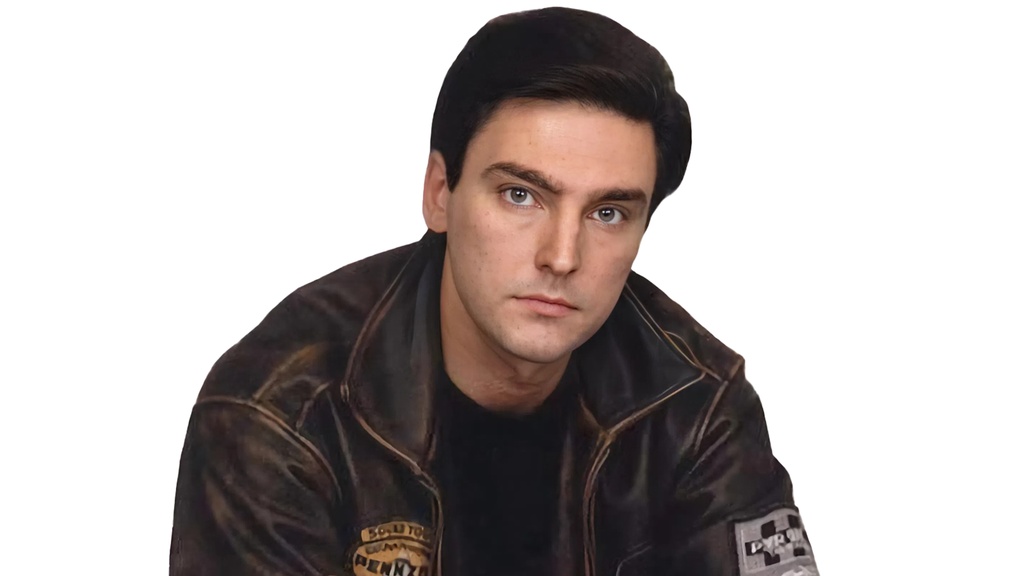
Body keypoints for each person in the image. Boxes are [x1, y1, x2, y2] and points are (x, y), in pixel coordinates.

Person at [169, 7, 818, 576]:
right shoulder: (284, 413)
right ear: (440, 193)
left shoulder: (694, 405)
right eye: (520, 195)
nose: (561, 256)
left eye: (608, 213)